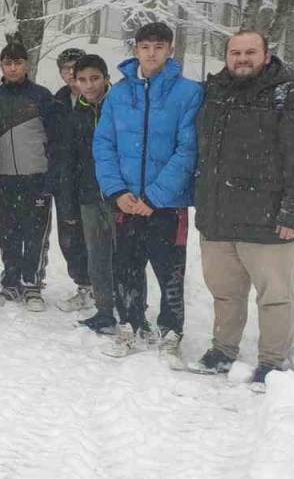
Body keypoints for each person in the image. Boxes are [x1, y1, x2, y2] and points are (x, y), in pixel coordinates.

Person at [190, 30, 294, 389]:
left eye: (251, 51)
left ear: (267, 55)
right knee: (225, 292)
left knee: (275, 298)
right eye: (235, 52)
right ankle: (223, 349)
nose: (242, 58)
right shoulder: (213, 94)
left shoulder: (292, 99)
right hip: (219, 219)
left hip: (270, 223)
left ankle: (271, 361)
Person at [94, 22, 203, 366]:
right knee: (125, 265)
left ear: (170, 49)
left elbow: (188, 150)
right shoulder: (119, 93)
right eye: (145, 46)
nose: (152, 52)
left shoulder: (188, 93)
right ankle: (129, 322)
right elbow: (104, 144)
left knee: (170, 270)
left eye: (159, 46)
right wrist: (116, 190)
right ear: (136, 49)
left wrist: (154, 196)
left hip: (166, 205)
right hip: (125, 201)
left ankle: (171, 331)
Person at [0, 38, 55, 311]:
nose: (12, 68)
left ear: (26, 65)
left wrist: (52, 175)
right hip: (3, 177)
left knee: (35, 233)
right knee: (8, 233)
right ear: (2, 67)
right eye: (7, 63)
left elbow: (56, 141)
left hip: (36, 176)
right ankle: (11, 282)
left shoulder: (42, 96)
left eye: (17, 62)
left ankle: (32, 285)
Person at [51, 54, 120, 334]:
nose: (89, 85)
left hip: (120, 195)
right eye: (82, 79)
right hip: (88, 194)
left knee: (125, 256)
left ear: (106, 78)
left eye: (94, 78)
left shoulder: (120, 107)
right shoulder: (74, 114)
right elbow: (68, 159)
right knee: (97, 255)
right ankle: (104, 311)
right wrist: (68, 199)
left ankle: (131, 310)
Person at [50, 48, 93, 311]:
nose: (70, 72)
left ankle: (104, 288)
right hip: (64, 179)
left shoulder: (102, 98)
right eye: (65, 68)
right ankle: (84, 286)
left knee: (97, 237)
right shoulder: (57, 101)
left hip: (94, 180)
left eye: (74, 67)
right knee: (69, 237)